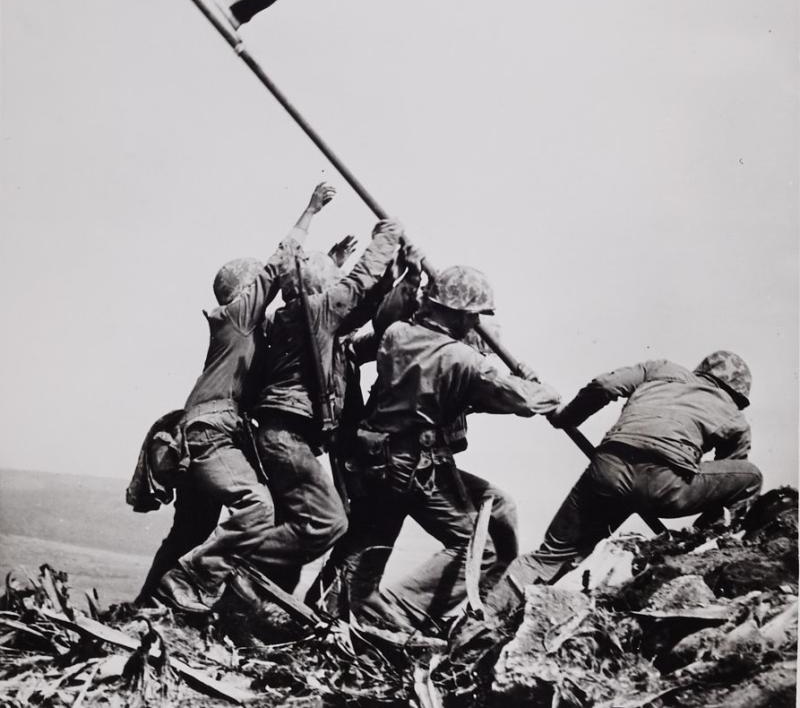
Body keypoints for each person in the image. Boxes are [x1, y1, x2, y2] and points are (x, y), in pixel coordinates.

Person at [324, 265, 561, 630]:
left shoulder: (397, 335)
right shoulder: (463, 360)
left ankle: (329, 610)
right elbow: (525, 401)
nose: (476, 323)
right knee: (479, 547)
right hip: (414, 467)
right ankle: (395, 614)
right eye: (474, 316)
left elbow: (443, 386)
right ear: (462, 314)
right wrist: (540, 388)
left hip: (375, 460)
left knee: (368, 543)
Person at [150, 182, 336, 612]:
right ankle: (192, 583)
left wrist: (329, 267)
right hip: (210, 434)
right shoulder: (235, 318)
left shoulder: (248, 333)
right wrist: (310, 211)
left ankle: (150, 604)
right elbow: (277, 265)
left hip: (207, 434)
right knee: (257, 506)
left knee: (191, 530)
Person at [483, 350, 763, 623]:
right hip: (664, 485)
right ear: (737, 394)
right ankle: (704, 547)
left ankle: (484, 617)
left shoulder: (662, 369)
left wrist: (566, 418)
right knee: (750, 477)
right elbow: (724, 488)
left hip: (607, 469)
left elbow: (604, 385)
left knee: (550, 555)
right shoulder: (735, 418)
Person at [231, 216, 404, 600]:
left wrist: (399, 275)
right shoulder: (312, 312)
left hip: (286, 436)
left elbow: (367, 307)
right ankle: (228, 564)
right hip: (285, 436)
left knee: (301, 526)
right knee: (326, 522)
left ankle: (253, 601)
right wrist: (386, 238)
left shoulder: (305, 320)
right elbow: (356, 288)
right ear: (318, 288)